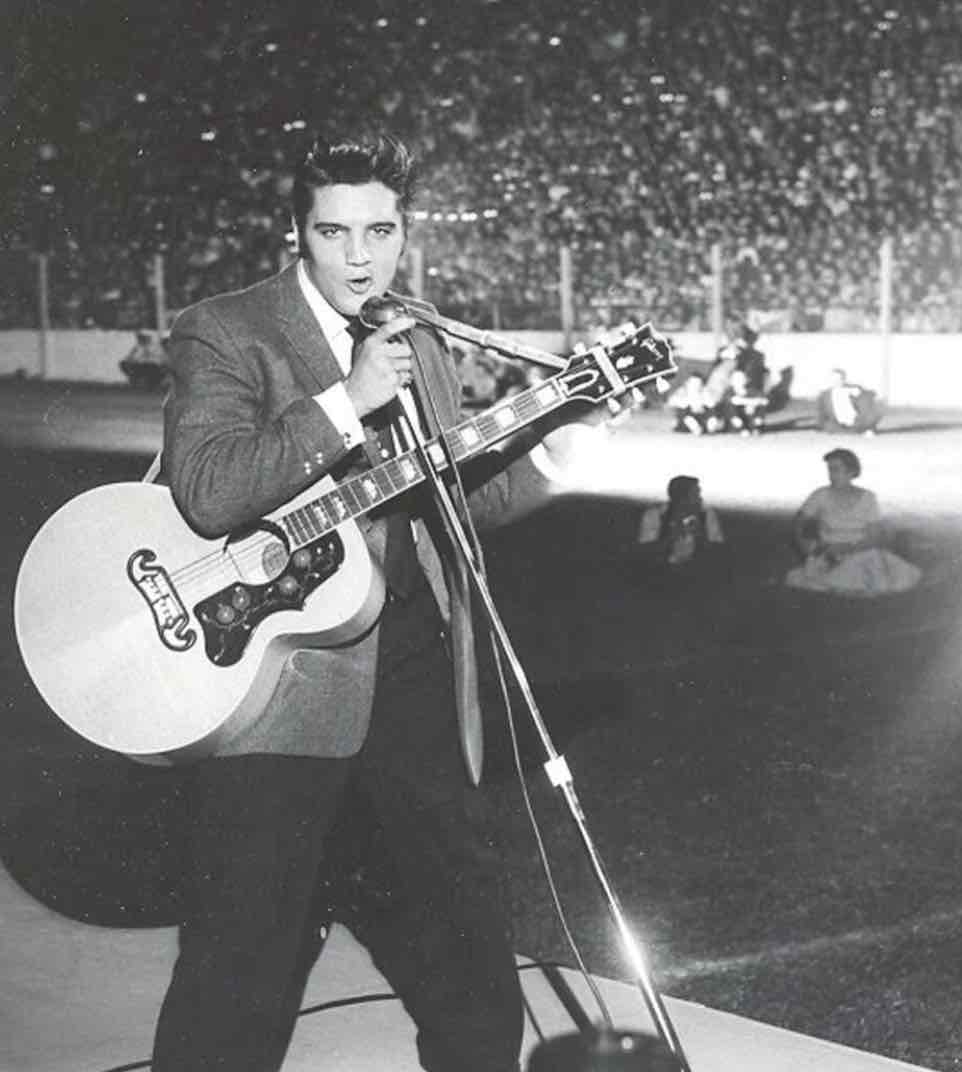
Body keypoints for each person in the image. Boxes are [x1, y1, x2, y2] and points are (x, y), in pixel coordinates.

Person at [155, 133, 576, 1072]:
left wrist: (555, 452)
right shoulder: (225, 327)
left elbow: (450, 498)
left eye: (379, 232)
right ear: (295, 233)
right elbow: (209, 491)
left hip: (413, 674)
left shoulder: (417, 334)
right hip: (280, 696)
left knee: (467, 940)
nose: (359, 257)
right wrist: (346, 401)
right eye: (333, 232)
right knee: (242, 956)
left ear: (404, 233)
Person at [785, 448, 920, 596]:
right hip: (829, 553)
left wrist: (848, 548)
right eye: (829, 470)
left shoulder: (868, 498)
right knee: (821, 578)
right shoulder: (820, 495)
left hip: (860, 551)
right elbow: (799, 522)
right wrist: (806, 545)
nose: (831, 475)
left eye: (836, 470)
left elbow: (874, 536)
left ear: (851, 472)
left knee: (873, 568)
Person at [638, 475, 725, 570]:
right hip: (660, 570)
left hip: (698, 570)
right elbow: (646, 552)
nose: (700, 499)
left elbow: (717, 551)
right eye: (695, 494)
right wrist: (672, 535)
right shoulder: (655, 515)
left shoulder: (707, 515)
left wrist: (699, 537)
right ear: (680, 498)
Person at [815, 368, 882, 435]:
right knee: (834, 428)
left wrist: (860, 392)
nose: (836, 381)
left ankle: (866, 429)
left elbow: (872, 395)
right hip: (837, 426)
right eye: (834, 379)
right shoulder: (824, 395)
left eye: (839, 379)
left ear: (843, 380)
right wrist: (823, 426)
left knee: (866, 404)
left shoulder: (854, 389)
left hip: (857, 423)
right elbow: (821, 414)